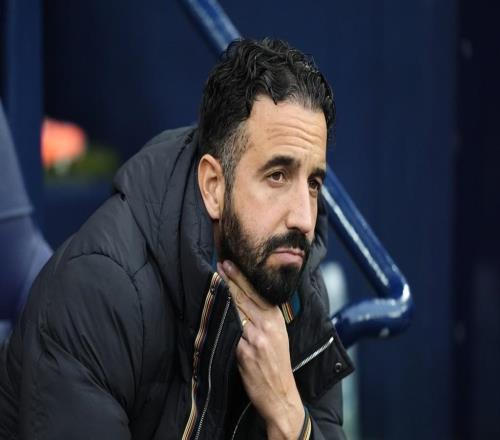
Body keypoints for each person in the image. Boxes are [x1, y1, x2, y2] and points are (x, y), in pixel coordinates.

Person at [0, 38, 353, 439]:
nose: (304, 218)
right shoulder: (99, 291)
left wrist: (287, 415)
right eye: (277, 176)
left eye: (313, 182)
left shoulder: (293, 281)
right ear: (213, 185)